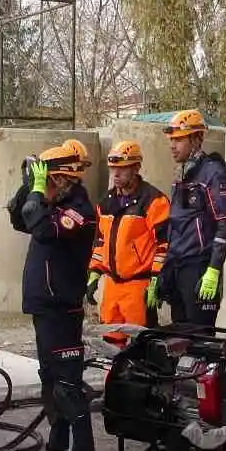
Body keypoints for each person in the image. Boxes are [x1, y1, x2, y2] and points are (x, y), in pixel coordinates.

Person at [10, 144, 99, 451]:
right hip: (43, 306)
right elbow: (20, 217)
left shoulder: (79, 211)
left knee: (68, 386)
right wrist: (29, 185)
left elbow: (44, 228)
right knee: (51, 383)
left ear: (64, 178)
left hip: (63, 308)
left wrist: (38, 192)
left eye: (50, 177)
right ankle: (58, 449)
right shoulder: (53, 203)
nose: (45, 184)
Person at [158, 109, 226, 327]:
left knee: (200, 343)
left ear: (196, 139)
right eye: (171, 140)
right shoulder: (182, 175)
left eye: (179, 139)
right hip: (178, 268)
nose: (172, 145)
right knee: (178, 342)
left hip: (200, 269)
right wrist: (164, 270)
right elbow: (176, 226)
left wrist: (213, 269)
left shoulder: (214, 173)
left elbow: (225, 225)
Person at [89, 140, 170, 343]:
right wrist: (94, 273)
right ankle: (114, 376)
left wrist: (156, 279)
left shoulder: (153, 200)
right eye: (113, 169)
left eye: (121, 169)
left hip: (138, 285)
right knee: (110, 344)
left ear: (136, 168)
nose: (115, 174)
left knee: (141, 345)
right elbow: (101, 242)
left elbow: (164, 244)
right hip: (111, 286)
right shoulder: (106, 202)